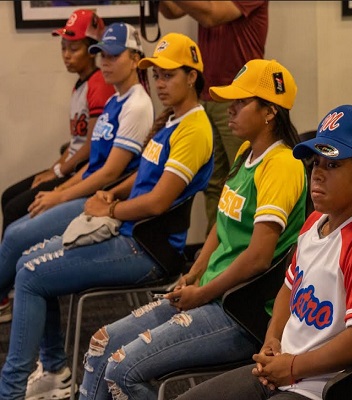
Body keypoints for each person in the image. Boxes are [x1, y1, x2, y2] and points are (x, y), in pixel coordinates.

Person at [77, 58, 306, 400]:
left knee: (122, 371)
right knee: (101, 344)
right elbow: (222, 222)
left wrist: (205, 291)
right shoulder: (247, 151)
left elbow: (259, 258)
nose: (229, 110)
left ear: (270, 112)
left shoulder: (282, 165)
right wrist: (195, 273)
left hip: (240, 309)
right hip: (212, 291)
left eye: (241, 103)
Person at [0, 32, 212, 400]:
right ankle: (52, 371)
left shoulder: (194, 129)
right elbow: (142, 176)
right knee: (28, 264)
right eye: (156, 75)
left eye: (168, 75)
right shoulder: (173, 121)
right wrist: (112, 193)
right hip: (126, 232)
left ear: (192, 76)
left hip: (144, 249)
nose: (160, 83)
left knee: (32, 273)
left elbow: (157, 202)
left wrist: (108, 208)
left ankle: (14, 390)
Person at [175, 104, 352, 400]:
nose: (318, 174)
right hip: (287, 370)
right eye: (317, 163)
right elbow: (288, 289)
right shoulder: (314, 223)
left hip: (327, 388)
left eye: (333, 165)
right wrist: (272, 339)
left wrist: (293, 366)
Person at [0, 22, 153, 325]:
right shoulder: (114, 100)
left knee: (17, 237)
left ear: (135, 58)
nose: (105, 63)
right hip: (88, 188)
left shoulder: (137, 105)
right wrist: (58, 189)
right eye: (103, 56)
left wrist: (60, 197)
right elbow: (91, 163)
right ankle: (52, 361)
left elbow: (110, 172)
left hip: (101, 199)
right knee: (25, 247)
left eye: (113, 56)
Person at [1, 9, 115, 236]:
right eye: (63, 48)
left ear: (92, 50)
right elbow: (75, 141)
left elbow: (92, 144)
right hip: (69, 167)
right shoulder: (79, 85)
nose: (66, 55)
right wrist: (54, 168)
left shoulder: (99, 84)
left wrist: (59, 171)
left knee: (15, 209)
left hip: (83, 171)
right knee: (7, 196)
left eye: (74, 49)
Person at [159, 0, 268, 233]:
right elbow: (172, 10)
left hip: (241, 98)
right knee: (214, 183)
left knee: (243, 179)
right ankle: (216, 248)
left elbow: (211, 15)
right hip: (210, 94)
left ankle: (246, 246)